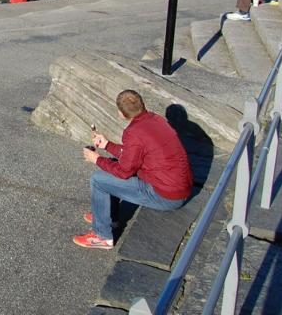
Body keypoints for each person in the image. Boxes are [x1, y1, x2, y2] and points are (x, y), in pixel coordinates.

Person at [73, 90, 193, 249]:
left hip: (166, 196)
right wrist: (107, 145)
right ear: (143, 104)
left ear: (121, 113)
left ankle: (101, 236)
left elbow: (124, 172)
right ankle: (108, 216)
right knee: (113, 163)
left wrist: (96, 159)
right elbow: (134, 154)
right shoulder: (157, 120)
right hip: (179, 187)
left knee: (98, 180)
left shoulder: (133, 132)